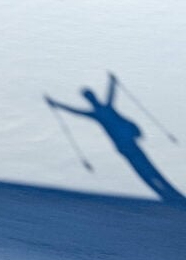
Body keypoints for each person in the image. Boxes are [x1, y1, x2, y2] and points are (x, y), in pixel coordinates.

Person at [45, 73, 184, 203]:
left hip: (123, 145)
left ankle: (167, 194)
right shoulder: (104, 109)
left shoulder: (98, 112)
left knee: (142, 170)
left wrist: (56, 104)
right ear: (93, 97)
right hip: (129, 143)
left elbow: (76, 111)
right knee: (148, 167)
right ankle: (172, 194)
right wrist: (112, 81)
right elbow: (108, 95)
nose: (92, 98)